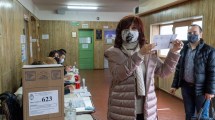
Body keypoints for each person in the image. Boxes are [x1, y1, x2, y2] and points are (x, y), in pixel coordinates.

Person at [104, 15, 183, 120]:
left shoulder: (148, 52)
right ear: (120, 32)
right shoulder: (113, 53)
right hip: (122, 109)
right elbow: (119, 75)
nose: (130, 32)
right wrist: (139, 55)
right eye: (126, 29)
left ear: (139, 31)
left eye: (134, 28)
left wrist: (174, 52)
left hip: (147, 109)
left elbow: (164, 72)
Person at [170, 24, 215, 120]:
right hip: (186, 88)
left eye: (195, 32)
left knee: (202, 115)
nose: (191, 34)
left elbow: (212, 72)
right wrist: (174, 85)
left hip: (201, 90)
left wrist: (210, 91)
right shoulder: (184, 49)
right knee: (189, 114)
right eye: (189, 33)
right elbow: (178, 68)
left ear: (201, 34)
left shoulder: (209, 50)